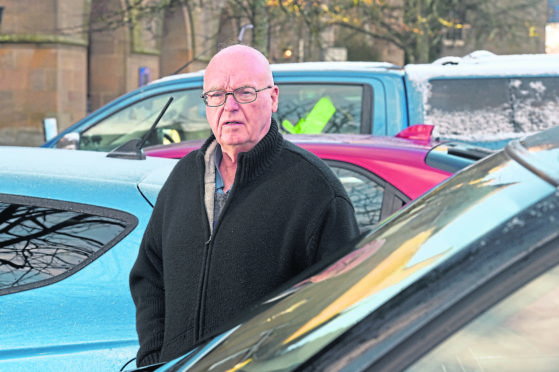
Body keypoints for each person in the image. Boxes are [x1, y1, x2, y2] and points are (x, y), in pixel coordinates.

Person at [129, 44, 360, 367]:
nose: (230, 106)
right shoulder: (184, 177)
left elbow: (340, 307)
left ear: (274, 97)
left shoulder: (316, 190)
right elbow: (150, 275)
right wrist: (155, 360)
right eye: (216, 95)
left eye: (245, 93)